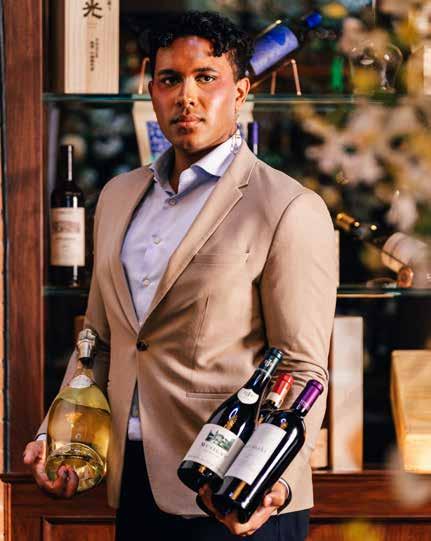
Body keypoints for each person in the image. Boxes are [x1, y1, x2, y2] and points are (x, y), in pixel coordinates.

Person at [23, 10, 337, 541]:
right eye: (170, 79)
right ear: (151, 91)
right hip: (134, 485)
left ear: (240, 91)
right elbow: (97, 343)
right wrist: (57, 438)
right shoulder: (118, 196)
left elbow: (303, 368)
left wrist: (273, 483)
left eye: (205, 78)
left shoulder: (288, 207)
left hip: (233, 496)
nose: (186, 96)